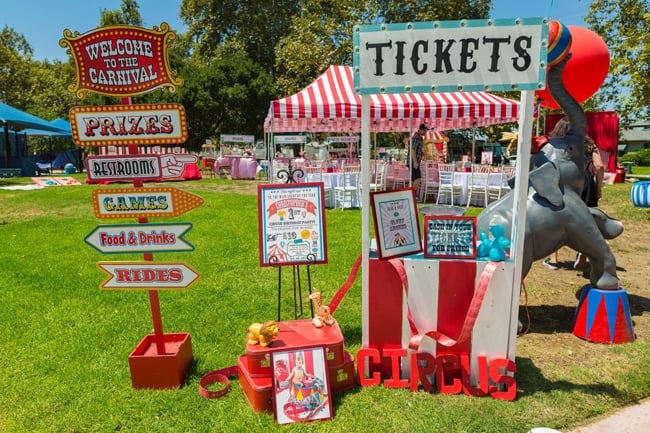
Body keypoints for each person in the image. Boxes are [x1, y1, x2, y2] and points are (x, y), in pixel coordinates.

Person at [574, 135, 605, 270]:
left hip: (569, 180)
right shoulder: (591, 147)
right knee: (587, 219)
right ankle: (584, 250)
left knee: (560, 217)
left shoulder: (564, 144)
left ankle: (553, 259)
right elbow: (599, 166)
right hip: (586, 182)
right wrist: (598, 188)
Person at [408, 123, 428, 195]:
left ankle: (411, 196)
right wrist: (415, 162)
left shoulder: (419, 138)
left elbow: (416, 149)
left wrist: (422, 153)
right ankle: (412, 195)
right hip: (413, 161)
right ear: (420, 130)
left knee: (414, 179)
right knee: (418, 178)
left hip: (414, 161)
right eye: (424, 131)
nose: (426, 132)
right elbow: (413, 149)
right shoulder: (416, 137)